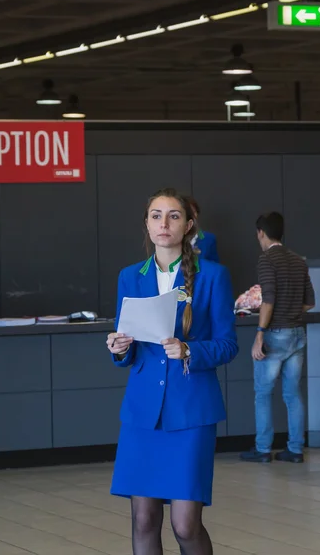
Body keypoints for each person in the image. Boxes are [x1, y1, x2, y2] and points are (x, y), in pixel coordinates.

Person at [106, 187, 238, 555]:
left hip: (191, 412)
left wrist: (188, 349)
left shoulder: (213, 276)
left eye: (174, 216)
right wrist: (119, 348)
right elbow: (128, 348)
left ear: (189, 225)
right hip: (142, 414)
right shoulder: (130, 277)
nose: (164, 223)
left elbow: (228, 345)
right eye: (156, 216)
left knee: (185, 525)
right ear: (146, 225)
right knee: (143, 520)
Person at [240, 211, 315, 464]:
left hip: (275, 334)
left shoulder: (267, 260)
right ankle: (295, 450)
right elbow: (310, 303)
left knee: (263, 393)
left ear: (261, 232)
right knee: (293, 394)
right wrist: (290, 312)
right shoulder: (298, 260)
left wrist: (260, 334)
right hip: (297, 335)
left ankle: (262, 449)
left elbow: (268, 300)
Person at [185, 196, 219, 262]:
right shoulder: (171, 238)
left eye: (194, 212)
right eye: (188, 213)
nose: (192, 216)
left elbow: (214, 266)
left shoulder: (209, 238)